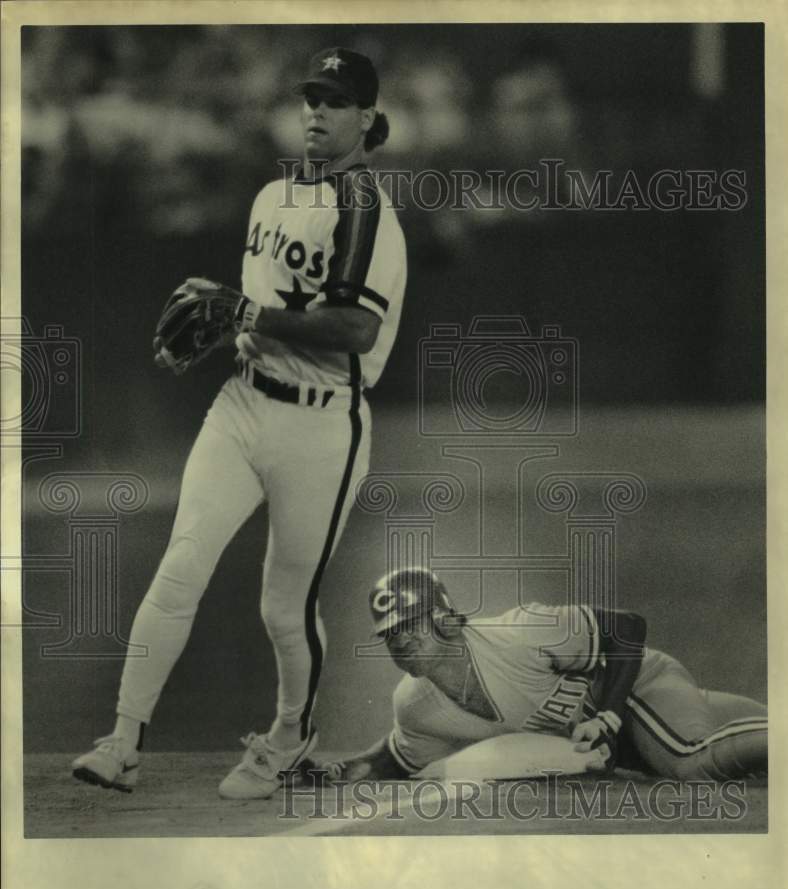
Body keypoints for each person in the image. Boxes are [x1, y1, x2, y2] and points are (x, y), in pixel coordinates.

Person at [72, 48, 407, 799]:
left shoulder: (368, 212)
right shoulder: (269, 198)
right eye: (311, 97)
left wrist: (249, 313)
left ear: (366, 119)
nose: (316, 111)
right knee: (180, 566)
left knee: (283, 608)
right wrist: (228, 325)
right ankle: (122, 741)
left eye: (335, 100)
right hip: (242, 405)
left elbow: (353, 329)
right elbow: (257, 313)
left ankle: (290, 738)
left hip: (321, 431)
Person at [309, 567, 767, 782]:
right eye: (391, 634)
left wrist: (606, 715)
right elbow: (395, 757)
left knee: (688, 760)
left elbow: (626, 627)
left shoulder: (519, 632)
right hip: (628, 739)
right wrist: (330, 772)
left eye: (412, 624)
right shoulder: (414, 703)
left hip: (638, 687)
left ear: (448, 620)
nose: (402, 640)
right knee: (739, 732)